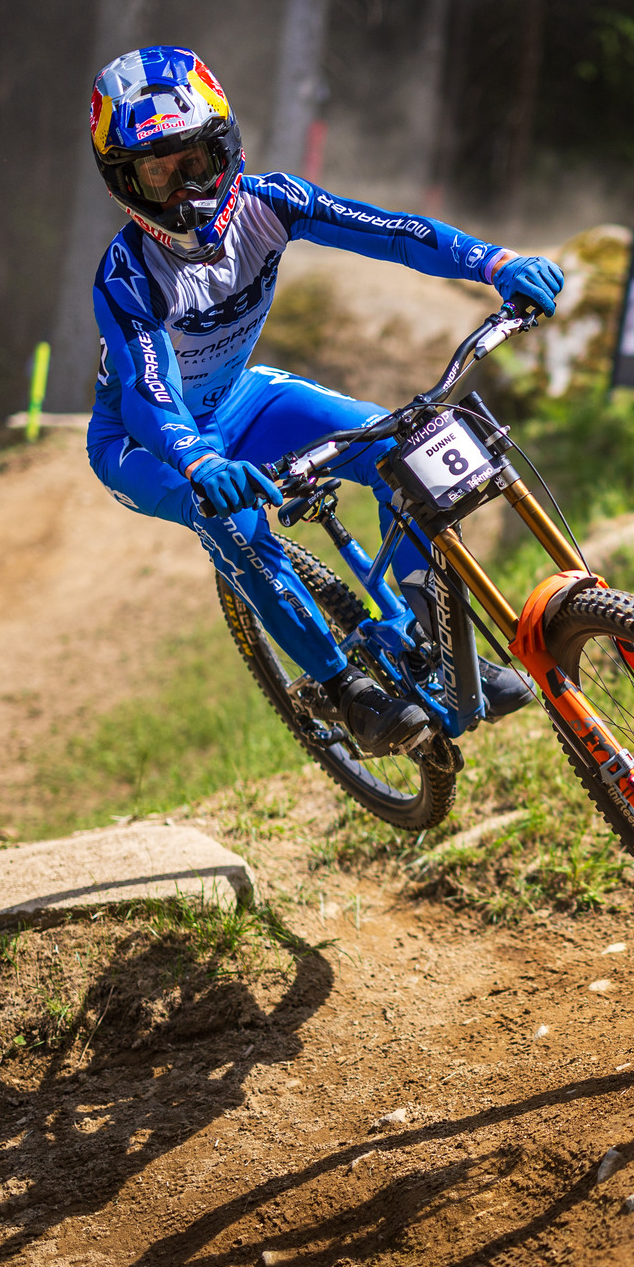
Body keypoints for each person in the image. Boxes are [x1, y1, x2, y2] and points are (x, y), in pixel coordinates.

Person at [84, 46, 564, 754]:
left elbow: (393, 234)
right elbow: (149, 391)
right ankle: (345, 692)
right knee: (231, 520)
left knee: (402, 451)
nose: (185, 193)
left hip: (240, 396)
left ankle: (433, 640)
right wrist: (197, 461)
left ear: (227, 148)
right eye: (159, 175)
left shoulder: (270, 204)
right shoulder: (126, 275)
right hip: (141, 442)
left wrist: (495, 262)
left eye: (195, 163)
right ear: (124, 185)